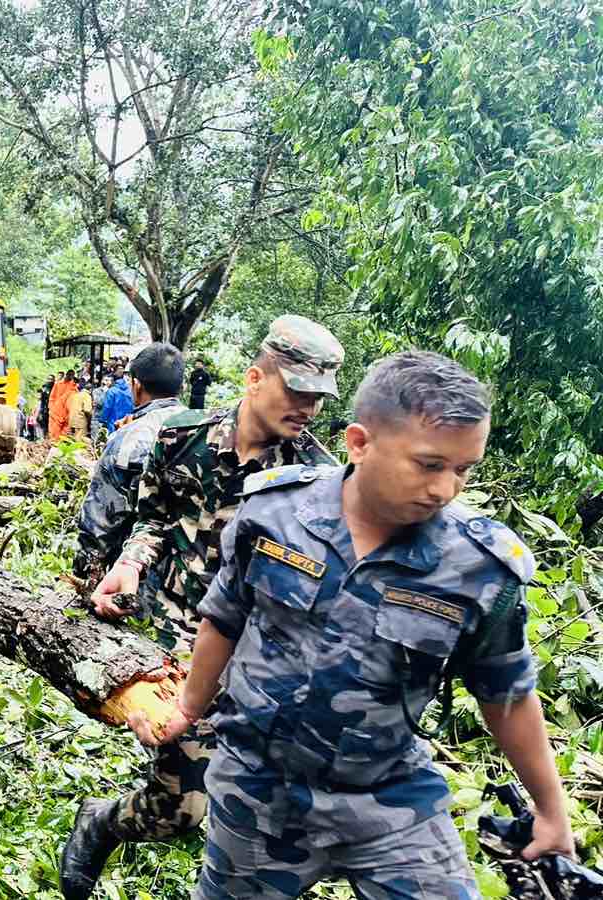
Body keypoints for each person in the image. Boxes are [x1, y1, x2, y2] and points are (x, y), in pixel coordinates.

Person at [130, 350, 575, 898]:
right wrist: (188, 709)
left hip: (387, 798)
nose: (445, 490)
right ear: (360, 443)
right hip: (259, 791)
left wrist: (551, 809)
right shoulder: (274, 515)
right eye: (429, 465)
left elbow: (506, 693)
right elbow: (224, 617)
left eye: (463, 470)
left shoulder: (477, 569)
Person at [58, 315, 344, 900]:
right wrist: (131, 561)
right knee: (183, 809)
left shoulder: (315, 478)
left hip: (253, 651)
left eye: (318, 397)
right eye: (297, 391)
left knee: (257, 800)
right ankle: (103, 822)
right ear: (255, 378)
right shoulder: (179, 437)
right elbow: (158, 516)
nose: (309, 408)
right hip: (174, 633)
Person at [73, 343, 188, 590]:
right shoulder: (204, 435)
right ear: (182, 387)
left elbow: (100, 520)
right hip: (191, 594)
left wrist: (83, 577)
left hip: (131, 584)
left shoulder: (130, 437)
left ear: (136, 385)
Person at [98, 370, 134, 435]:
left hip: (113, 421)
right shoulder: (130, 390)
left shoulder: (112, 391)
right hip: (126, 421)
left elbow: (107, 407)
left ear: (113, 380)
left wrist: (103, 419)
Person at [48, 372, 75, 442]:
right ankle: (54, 442)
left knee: (64, 430)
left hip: (66, 412)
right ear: (66, 375)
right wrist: (51, 408)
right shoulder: (58, 384)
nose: (70, 377)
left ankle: (61, 443)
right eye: (69, 375)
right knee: (54, 430)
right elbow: (52, 397)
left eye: (72, 375)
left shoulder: (73, 386)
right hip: (56, 411)